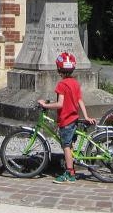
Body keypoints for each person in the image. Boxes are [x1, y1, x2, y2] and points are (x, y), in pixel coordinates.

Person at [38, 51, 95, 183]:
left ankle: (70, 173)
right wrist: (85, 116)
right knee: (70, 146)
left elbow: (60, 104)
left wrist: (45, 105)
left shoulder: (62, 85)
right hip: (74, 119)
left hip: (66, 120)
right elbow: (80, 100)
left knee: (66, 146)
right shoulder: (75, 83)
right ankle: (71, 167)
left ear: (59, 69)